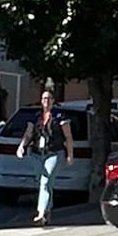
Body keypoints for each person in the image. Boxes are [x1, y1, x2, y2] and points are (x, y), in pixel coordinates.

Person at [18, 89, 73, 227]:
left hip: (54, 153)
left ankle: (41, 213)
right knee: (43, 182)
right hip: (37, 153)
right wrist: (21, 146)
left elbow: (68, 137)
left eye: (49, 98)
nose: (46, 101)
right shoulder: (36, 116)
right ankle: (48, 209)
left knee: (45, 181)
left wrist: (70, 154)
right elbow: (28, 133)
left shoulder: (60, 116)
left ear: (53, 101)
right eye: (44, 99)